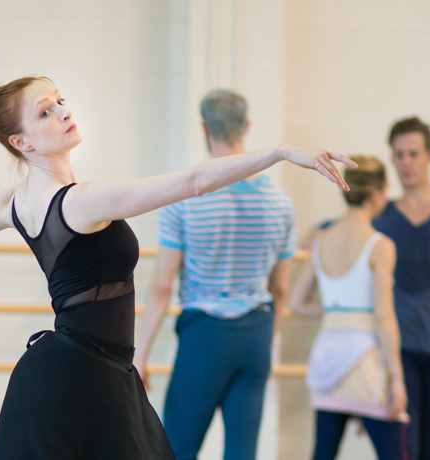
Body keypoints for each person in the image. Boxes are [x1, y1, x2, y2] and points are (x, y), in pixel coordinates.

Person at [0, 77, 354, 460]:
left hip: (81, 367)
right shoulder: (84, 201)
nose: (63, 111)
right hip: (85, 372)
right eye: (45, 111)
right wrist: (279, 152)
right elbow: (191, 183)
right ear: (21, 141)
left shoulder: (15, 203)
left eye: (60, 100)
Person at [134, 89, 299, 460]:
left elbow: (162, 287)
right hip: (256, 335)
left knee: (176, 449)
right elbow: (281, 289)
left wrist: (140, 355)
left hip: (204, 335)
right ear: (247, 127)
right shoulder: (281, 204)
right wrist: (267, 343)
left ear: (204, 128)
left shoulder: (183, 198)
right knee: (242, 453)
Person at [289, 155, 409, 460]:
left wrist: (337, 314)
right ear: (377, 195)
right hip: (366, 361)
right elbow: (384, 315)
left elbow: (296, 302)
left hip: (327, 359)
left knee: (323, 453)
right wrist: (397, 378)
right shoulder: (380, 245)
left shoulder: (321, 240)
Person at [373, 116, 430, 460]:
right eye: (399, 155)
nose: (406, 163)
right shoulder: (382, 218)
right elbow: (337, 230)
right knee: (405, 450)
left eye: (414, 154)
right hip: (402, 354)